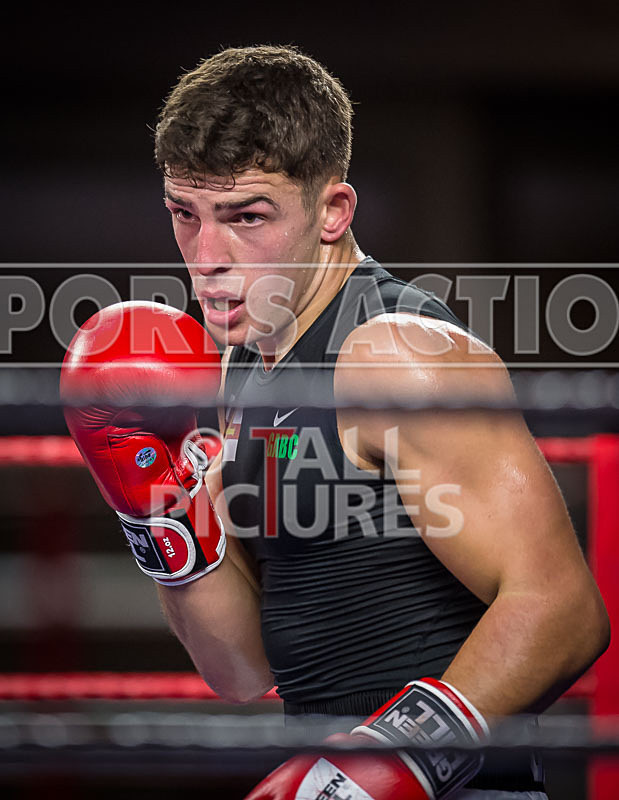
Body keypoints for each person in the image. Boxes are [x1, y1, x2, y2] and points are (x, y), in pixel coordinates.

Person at [63, 46, 609, 799]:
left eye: (245, 217)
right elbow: (240, 668)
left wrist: (383, 763)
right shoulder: (241, 367)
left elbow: (563, 611)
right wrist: (151, 502)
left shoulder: (393, 353)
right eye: (184, 216)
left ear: (332, 212)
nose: (208, 258)